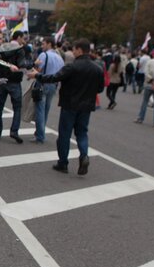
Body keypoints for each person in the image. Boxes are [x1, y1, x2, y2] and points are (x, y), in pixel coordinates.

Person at [28, 38, 104, 176]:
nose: (72, 52)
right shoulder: (97, 69)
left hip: (69, 104)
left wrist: (37, 75)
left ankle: (63, 163)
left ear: (79, 50)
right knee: (82, 133)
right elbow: (99, 89)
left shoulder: (72, 67)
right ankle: (84, 155)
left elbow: (54, 78)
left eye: (74, 49)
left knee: (64, 134)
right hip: (86, 106)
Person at [0, 30, 33, 143]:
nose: (24, 40)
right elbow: (21, 64)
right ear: (19, 37)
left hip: (1, 81)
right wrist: (32, 64)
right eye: (23, 38)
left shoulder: (2, 47)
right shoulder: (19, 50)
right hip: (14, 82)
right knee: (17, 108)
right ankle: (14, 131)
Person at [32, 36, 64, 144]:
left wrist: (34, 67)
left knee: (40, 109)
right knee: (46, 109)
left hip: (43, 82)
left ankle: (40, 135)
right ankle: (40, 132)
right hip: (53, 84)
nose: (42, 46)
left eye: (43, 44)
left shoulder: (43, 55)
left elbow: (39, 69)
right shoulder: (59, 57)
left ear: (49, 44)